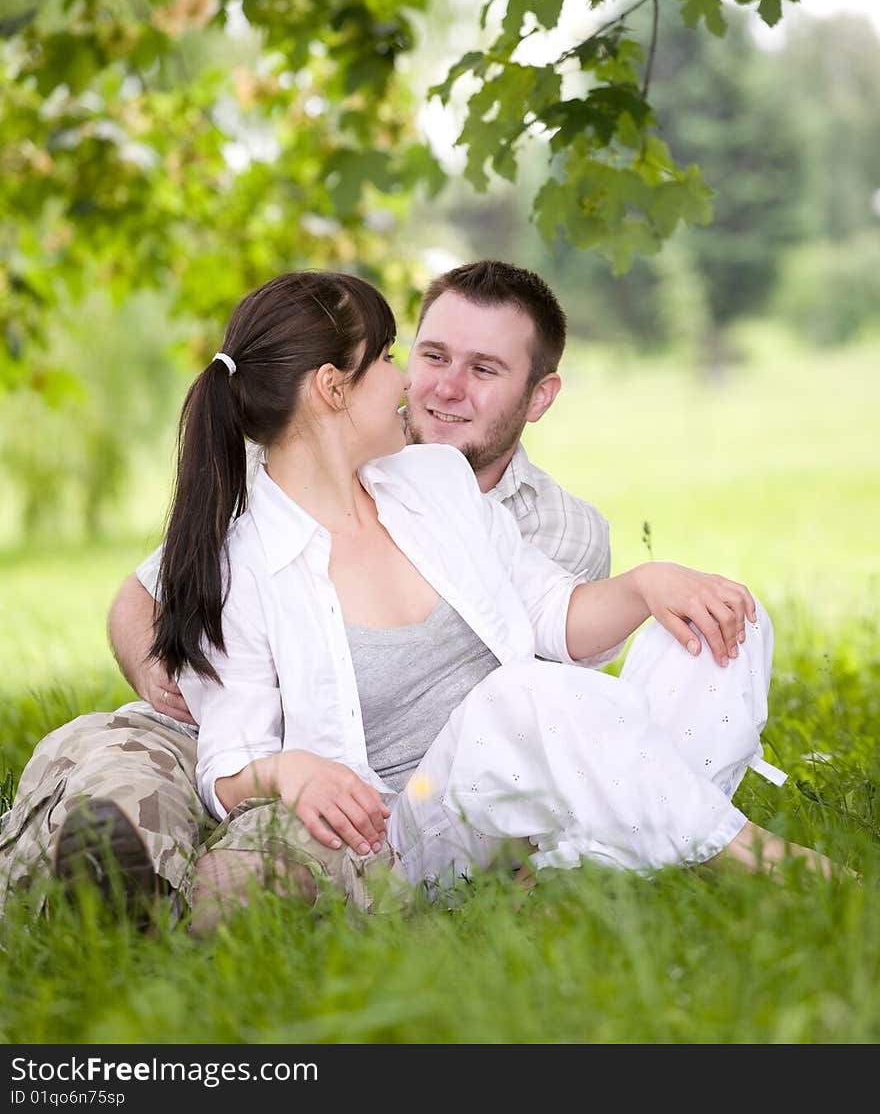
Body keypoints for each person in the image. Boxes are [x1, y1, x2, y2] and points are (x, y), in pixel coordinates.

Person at [0, 268, 834, 929]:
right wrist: (285, 771)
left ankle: (608, 853)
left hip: (508, 769)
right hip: (412, 819)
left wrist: (653, 585)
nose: (413, 382)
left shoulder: (429, 482)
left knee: (726, 620)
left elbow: (550, 612)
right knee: (527, 696)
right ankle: (757, 859)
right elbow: (224, 766)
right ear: (333, 389)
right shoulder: (240, 558)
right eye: (398, 356)